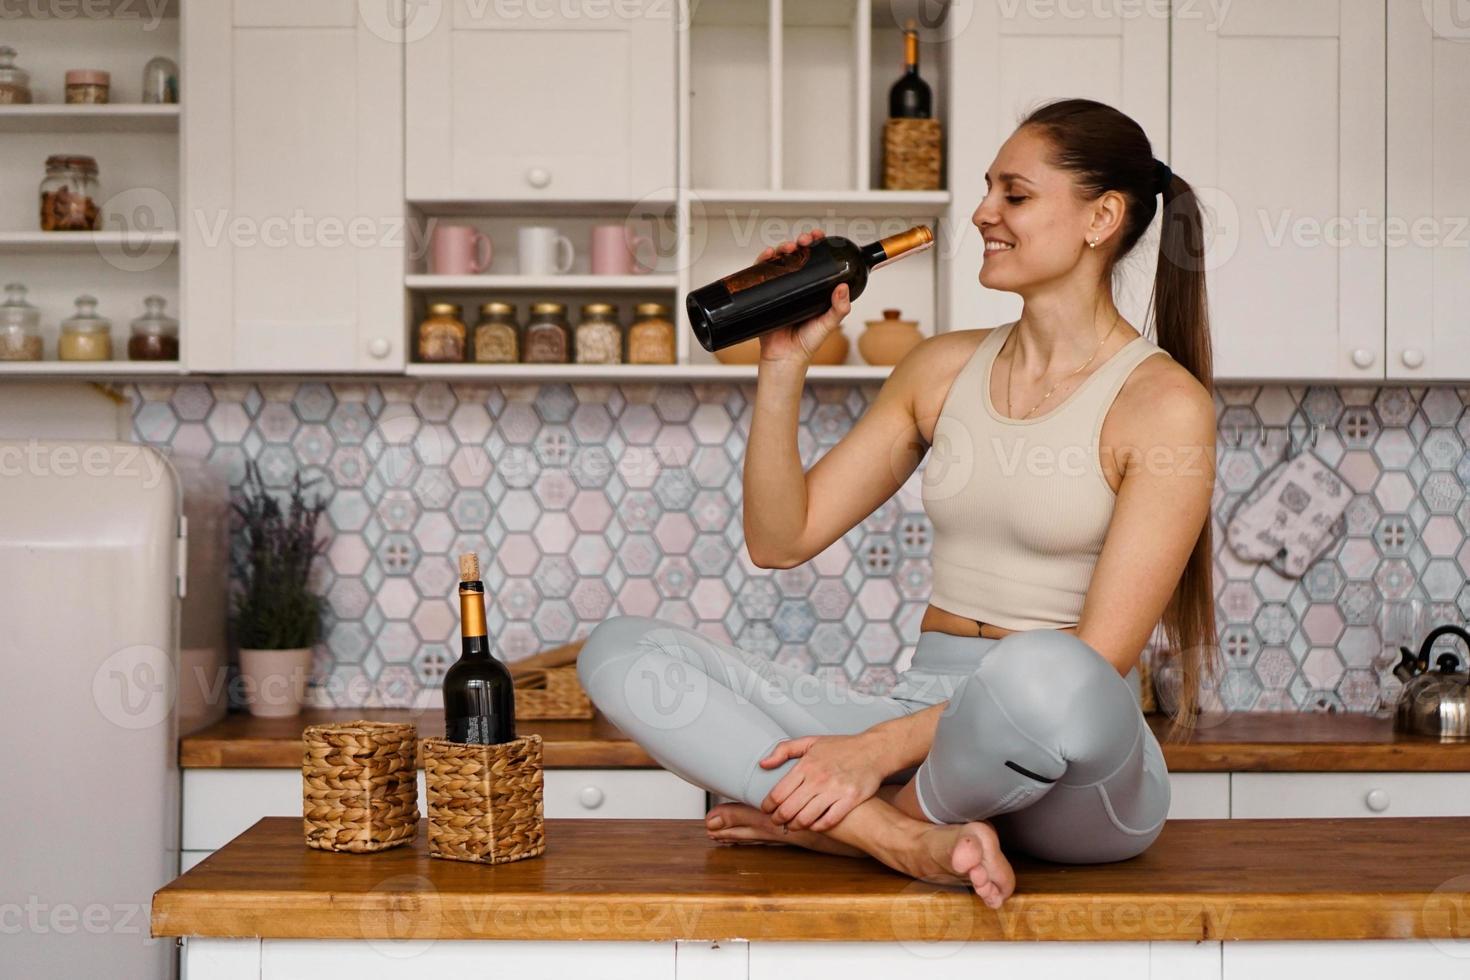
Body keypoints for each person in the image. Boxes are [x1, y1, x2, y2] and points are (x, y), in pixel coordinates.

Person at [577, 98, 1219, 910]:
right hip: (925, 713)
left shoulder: (1164, 405)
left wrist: (872, 752)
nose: (983, 212)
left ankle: (834, 821)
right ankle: (898, 837)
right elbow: (781, 539)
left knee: (1046, 666)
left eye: (1014, 195)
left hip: (1077, 766)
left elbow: (1099, 662)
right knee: (620, 651)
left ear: (1102, 217)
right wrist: (783, 363)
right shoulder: (939, 370)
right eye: (988, 190)